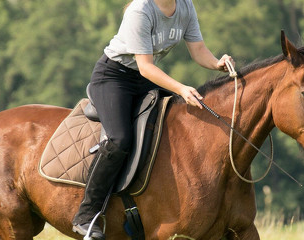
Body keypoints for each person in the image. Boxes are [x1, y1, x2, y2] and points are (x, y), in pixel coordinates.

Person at [72, 0, 234, 239]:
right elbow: (146, 67)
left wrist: (216, 63)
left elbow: (198, 49)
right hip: (113, 78)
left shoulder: (186, 6)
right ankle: (86, 215)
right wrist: (180, 88)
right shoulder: (141, 10)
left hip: (143, 80)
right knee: (119, 139)